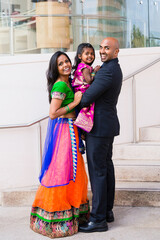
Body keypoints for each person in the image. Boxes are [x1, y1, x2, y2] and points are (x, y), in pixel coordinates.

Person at [30, 51, 89, 238]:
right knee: (63, 171)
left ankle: (70, 215)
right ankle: (57, 220)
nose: (65, 65)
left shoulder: (68, 82)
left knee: (72, 171)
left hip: (69, 129)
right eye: (60, 63)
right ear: (55, 68)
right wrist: (76, 102)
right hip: (65, 131)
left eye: (66, 61)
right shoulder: (61, 84)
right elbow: (53, 113)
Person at [78, 37, 123, 233]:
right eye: (101, 47)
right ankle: (106, 212)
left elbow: (87, 97)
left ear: (116, 51)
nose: (102, 51)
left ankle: (98, 220)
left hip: (99, 128)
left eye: (107, 48)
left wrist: (76, 96)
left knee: (98, 172)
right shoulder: (109, 69)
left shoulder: (107, 71)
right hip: (106, 126)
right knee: (106, 169)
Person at [72, 43, 100, 133]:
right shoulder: (85, 67)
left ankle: (83, 129)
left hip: (80, 90)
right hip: (83, 90)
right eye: (87, 53)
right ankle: (83, 129)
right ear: (80, 56)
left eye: (92, 54)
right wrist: (95, 71)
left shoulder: (82, 66)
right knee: (89, 108)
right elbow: (89, 81)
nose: (90, 56)